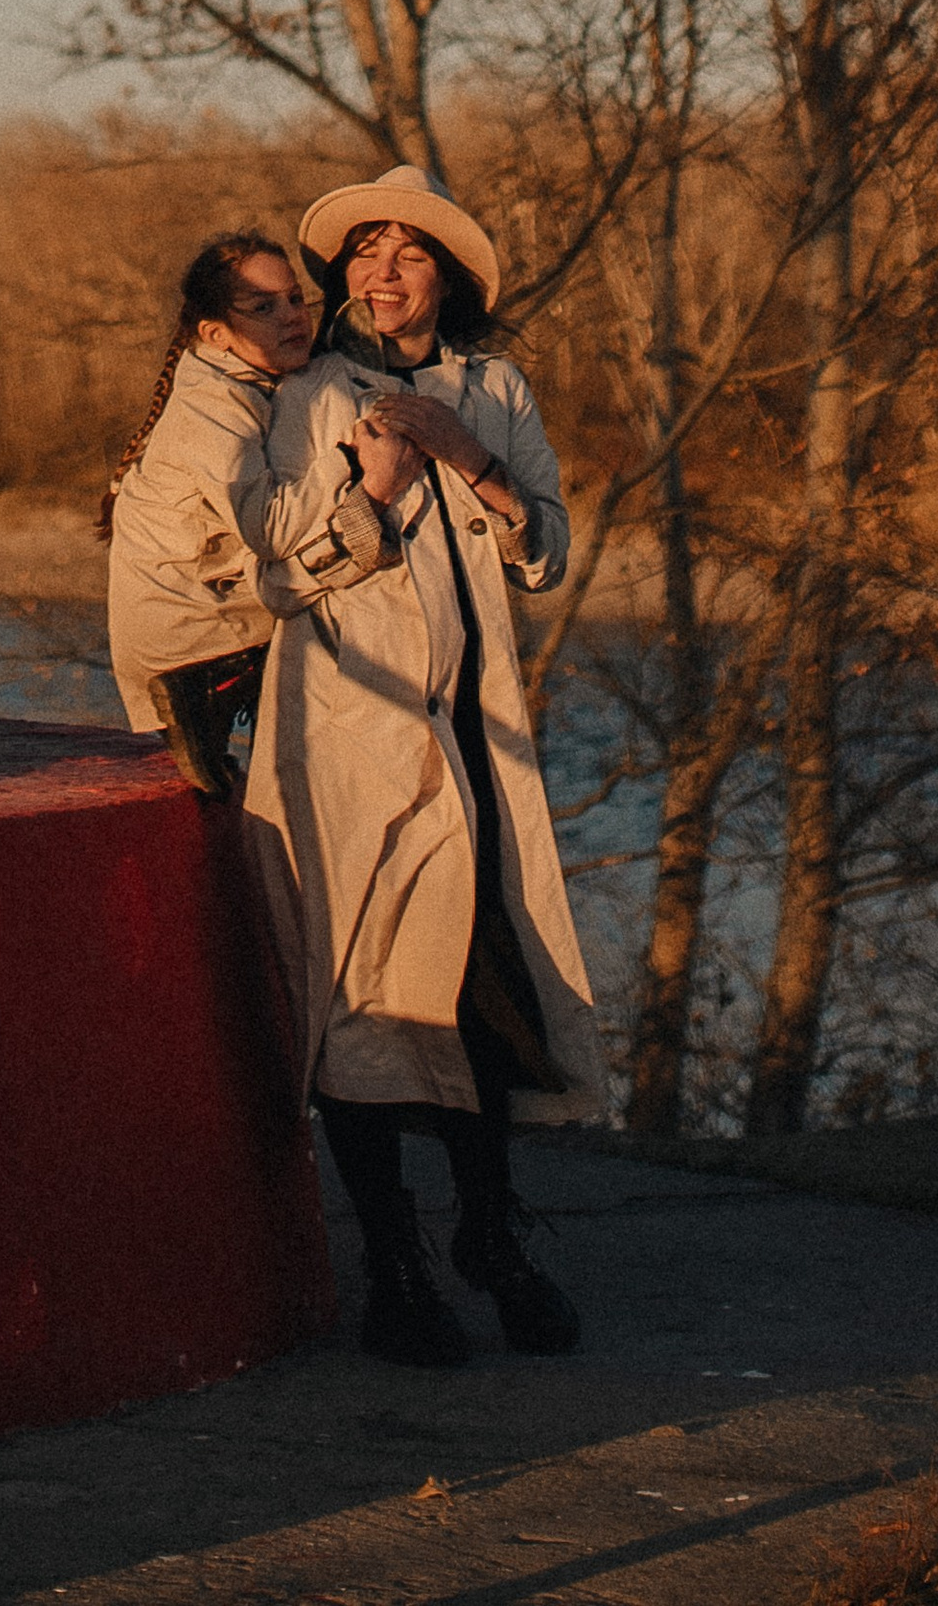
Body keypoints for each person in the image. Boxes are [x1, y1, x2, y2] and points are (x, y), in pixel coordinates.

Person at [244, 165, 606, 1368]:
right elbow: (277, 572)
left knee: (479, 986)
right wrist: (371, 485)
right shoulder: (306, 394)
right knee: (363, 993)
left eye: (408, 252)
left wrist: (468, 456)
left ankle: (490, 1236)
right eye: (365, 251)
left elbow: (545, 550)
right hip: (348, 737)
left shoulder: (493, 387)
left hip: (472, 740)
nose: (382, 271)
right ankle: (396, 1269)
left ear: (445, 278)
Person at [101, 231, 411, 785]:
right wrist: (348, 456)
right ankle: (210, 691)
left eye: (294, 298)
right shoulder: (211, 405)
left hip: (200, 611)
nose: (291, 316)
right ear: (216, 334)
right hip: (189, 631)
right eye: (262, 308)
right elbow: (268, 529)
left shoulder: (240, 382)